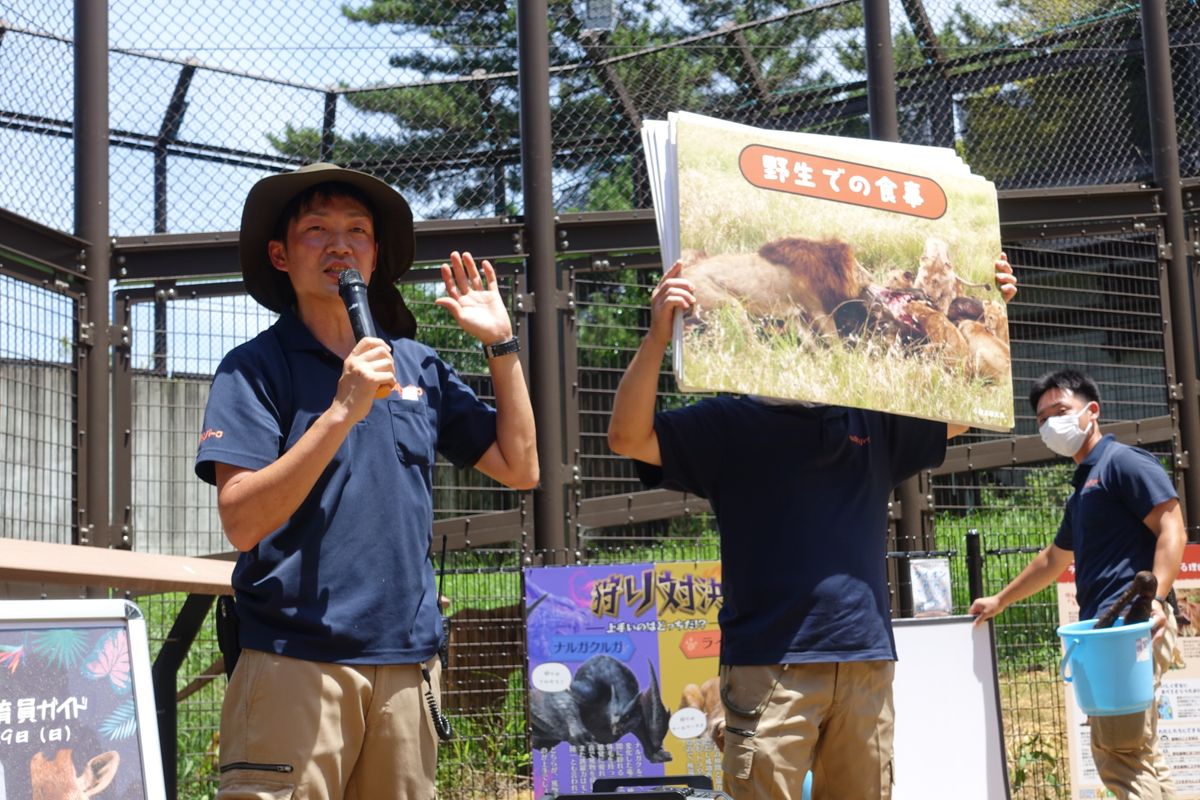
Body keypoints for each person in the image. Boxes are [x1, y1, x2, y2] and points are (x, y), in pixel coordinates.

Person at [607, 253, 1016, 799]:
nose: (809, 329)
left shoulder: (871, 414)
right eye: (793, 318)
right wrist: (657, 335)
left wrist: (993, 309)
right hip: (768, 661)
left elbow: (971, 410)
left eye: (821, 318)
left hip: (865, 657)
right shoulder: (727, 422)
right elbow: (627, 438)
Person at [195, 162, 538, 800]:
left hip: (408, 667)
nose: (340, 244)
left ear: (375, 255)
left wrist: (501, 345)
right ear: (279, 255)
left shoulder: (416, 364)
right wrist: (341, 410)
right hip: (296, 661)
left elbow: (521, 468)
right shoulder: (252, 370)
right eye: (317, 230)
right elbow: (241, 519)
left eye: (357, 231)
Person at [970, 369, 1185, 799]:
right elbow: (1053, 559)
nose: (1052, 423)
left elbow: (1171, 527)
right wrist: (1001, 599)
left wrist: (1157, 599)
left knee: (1118, 753)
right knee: (1137, 750)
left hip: (1133, 625)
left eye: (1061, 410)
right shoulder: (1083, 486)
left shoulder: (1122, 463)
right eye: (1043, 418)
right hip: (1109, 634)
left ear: (1092, 411)